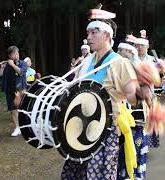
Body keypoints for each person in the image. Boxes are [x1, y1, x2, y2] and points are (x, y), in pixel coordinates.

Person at [61, 6, 150, 180]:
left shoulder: (119, 64)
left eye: (94, 33)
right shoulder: (86, 61)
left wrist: (141, 93)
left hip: (105, 131)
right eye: (88, 33)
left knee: (99, 176)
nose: (88, 37)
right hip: (80, 128)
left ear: (107, 35)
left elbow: (132, 98)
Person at [117, 34, 150, 180]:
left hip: (137, 125)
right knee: (119, 160)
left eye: (122, 52)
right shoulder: (113, 70)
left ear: (131, 54)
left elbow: (146, 96)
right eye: (117, 51)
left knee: (135, 159)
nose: (118, 54)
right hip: (118, 125)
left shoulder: (140, 73)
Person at [0, 46, 27, 137]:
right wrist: (2, 68)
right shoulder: (6, 64)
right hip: (9, 89)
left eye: (17, 53)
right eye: (14, 53)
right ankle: (17, 128)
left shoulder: (22, 63)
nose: (16, 55)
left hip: (20, 89)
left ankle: (25, 127)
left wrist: (12, 65)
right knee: (13, 109)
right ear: (9, 55)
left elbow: (21, 72)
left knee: (23, 108)